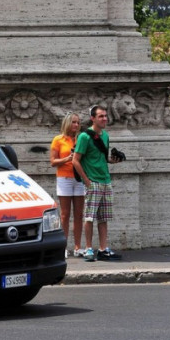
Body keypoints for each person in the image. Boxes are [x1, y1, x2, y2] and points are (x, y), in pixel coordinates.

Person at [72, 105, 123, 262]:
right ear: (92, 118)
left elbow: (101, 157)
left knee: (103, 218)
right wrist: (86, 181)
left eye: (105, 116)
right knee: (89, 217)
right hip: (93, 182)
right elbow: (75, 160)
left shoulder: (106, 136)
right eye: (101, 116)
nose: (104, 119)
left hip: (106, 180)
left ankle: (102, 249)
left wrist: (113, 160)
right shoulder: (84, 137)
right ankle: (88, 249)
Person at [50, 112, 85, 258]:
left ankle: (77, 247)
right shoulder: (58, 140)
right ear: (67, 123)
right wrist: (67, 158)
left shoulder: (81, 139)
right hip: (64, 178)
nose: (76, 125)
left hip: (79, 178)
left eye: (78, 123)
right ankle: (63, 247)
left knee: (79, 214)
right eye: (73, 122)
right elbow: (53, 162)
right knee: (64, 215)